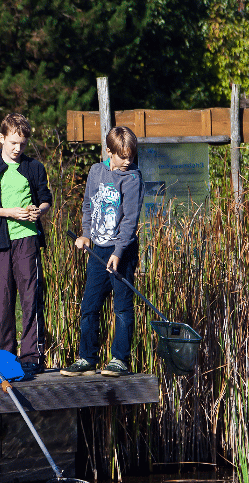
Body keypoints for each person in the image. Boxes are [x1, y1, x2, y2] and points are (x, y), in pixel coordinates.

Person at [0, 112, 53, 377]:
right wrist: (10, 212)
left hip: (27, 240)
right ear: (1, 138)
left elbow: (45, 199)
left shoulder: (34, 167)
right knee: (2, 301)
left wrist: (38, 211)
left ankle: (31, 356)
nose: (18, 149)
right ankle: (5, 355)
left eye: (23, 144)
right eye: (13, 143)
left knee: (31, 298)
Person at [61, 126, 145, 378]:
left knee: (121, 307)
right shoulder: (96, 172)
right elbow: (88, 205)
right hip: (98, 249)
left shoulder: (133, 179)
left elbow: (130, 221)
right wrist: (85, 234)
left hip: (122, 252)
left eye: (131, 156)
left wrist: (118, 252)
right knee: (89, 305)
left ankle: (120, 358)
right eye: (122, 156)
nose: (127, 161)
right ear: (109, 152)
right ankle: (87, 357)